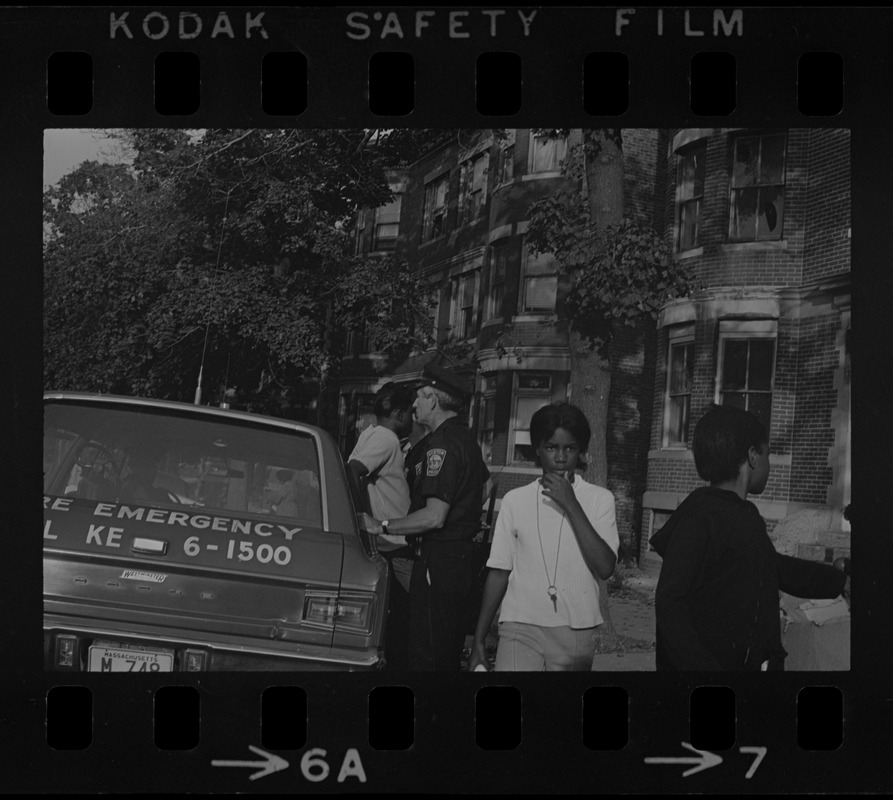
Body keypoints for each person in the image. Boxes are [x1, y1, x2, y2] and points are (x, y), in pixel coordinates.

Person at [650, 404, 851, 671]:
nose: (767, 462)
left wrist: (839, 582)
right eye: (767, 453)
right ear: (753, 456)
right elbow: (669, 600)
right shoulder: (699, 516)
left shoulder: (742, 516)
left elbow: (775, 567)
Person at [467, 403, 619, 672]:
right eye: (551, 447)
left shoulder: (599, 499)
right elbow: (499, 571)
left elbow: (605, 567)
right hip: (519, 625)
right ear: (537, 449)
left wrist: (571, 504)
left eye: (570, 448)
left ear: (580, 451)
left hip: (575, 629)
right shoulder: (515, 500)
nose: (560, 458)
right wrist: (479, 638)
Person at [360, 362, 490, 671]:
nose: (414, 404)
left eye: (419, 396)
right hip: (459, 561)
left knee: (427, 655)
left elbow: (433, 517)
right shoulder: (466, 439)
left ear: (432, 398)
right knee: (444, 650)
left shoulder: (441, 445)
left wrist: (381, 525)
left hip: (437, 562)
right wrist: (465, 515)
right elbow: (486, 485)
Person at [347, 383, 416, 670]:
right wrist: (361, 515)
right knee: (407, 614)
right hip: (396, 544)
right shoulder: (386, 439)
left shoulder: (371, 434)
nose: (413, 418)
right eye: (410, 412)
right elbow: (353, 470)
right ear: (399, 414)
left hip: (387, 540)